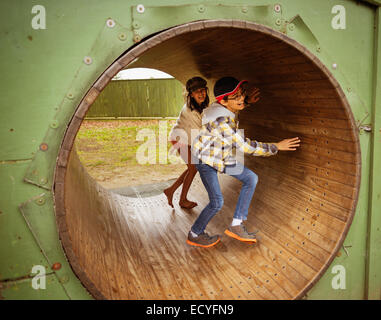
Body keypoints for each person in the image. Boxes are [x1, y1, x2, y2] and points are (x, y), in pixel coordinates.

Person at [187, 76, 301, 248]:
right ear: (224, 101)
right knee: (217, 202)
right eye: (236, 96)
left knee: (250, 178)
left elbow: (232, 109)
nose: (241, 98)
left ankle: (236, 225)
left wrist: (246, 102)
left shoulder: (220, 108)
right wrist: (276, 146)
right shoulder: (221, 122)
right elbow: (245, 146)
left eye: (242, 94)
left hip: (221, 156)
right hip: (206, 159)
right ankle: (195, 233)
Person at [164, 77, 210, 209]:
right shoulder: (191, 111)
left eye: (203, 90)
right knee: (193, 167)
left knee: (192, 167)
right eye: (197, 92)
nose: (201, 94)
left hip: (188, 137)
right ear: (191, 94)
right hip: (179, 138)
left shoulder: (201, 105)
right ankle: (182, 200)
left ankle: (170, 190)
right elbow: (200, 136)